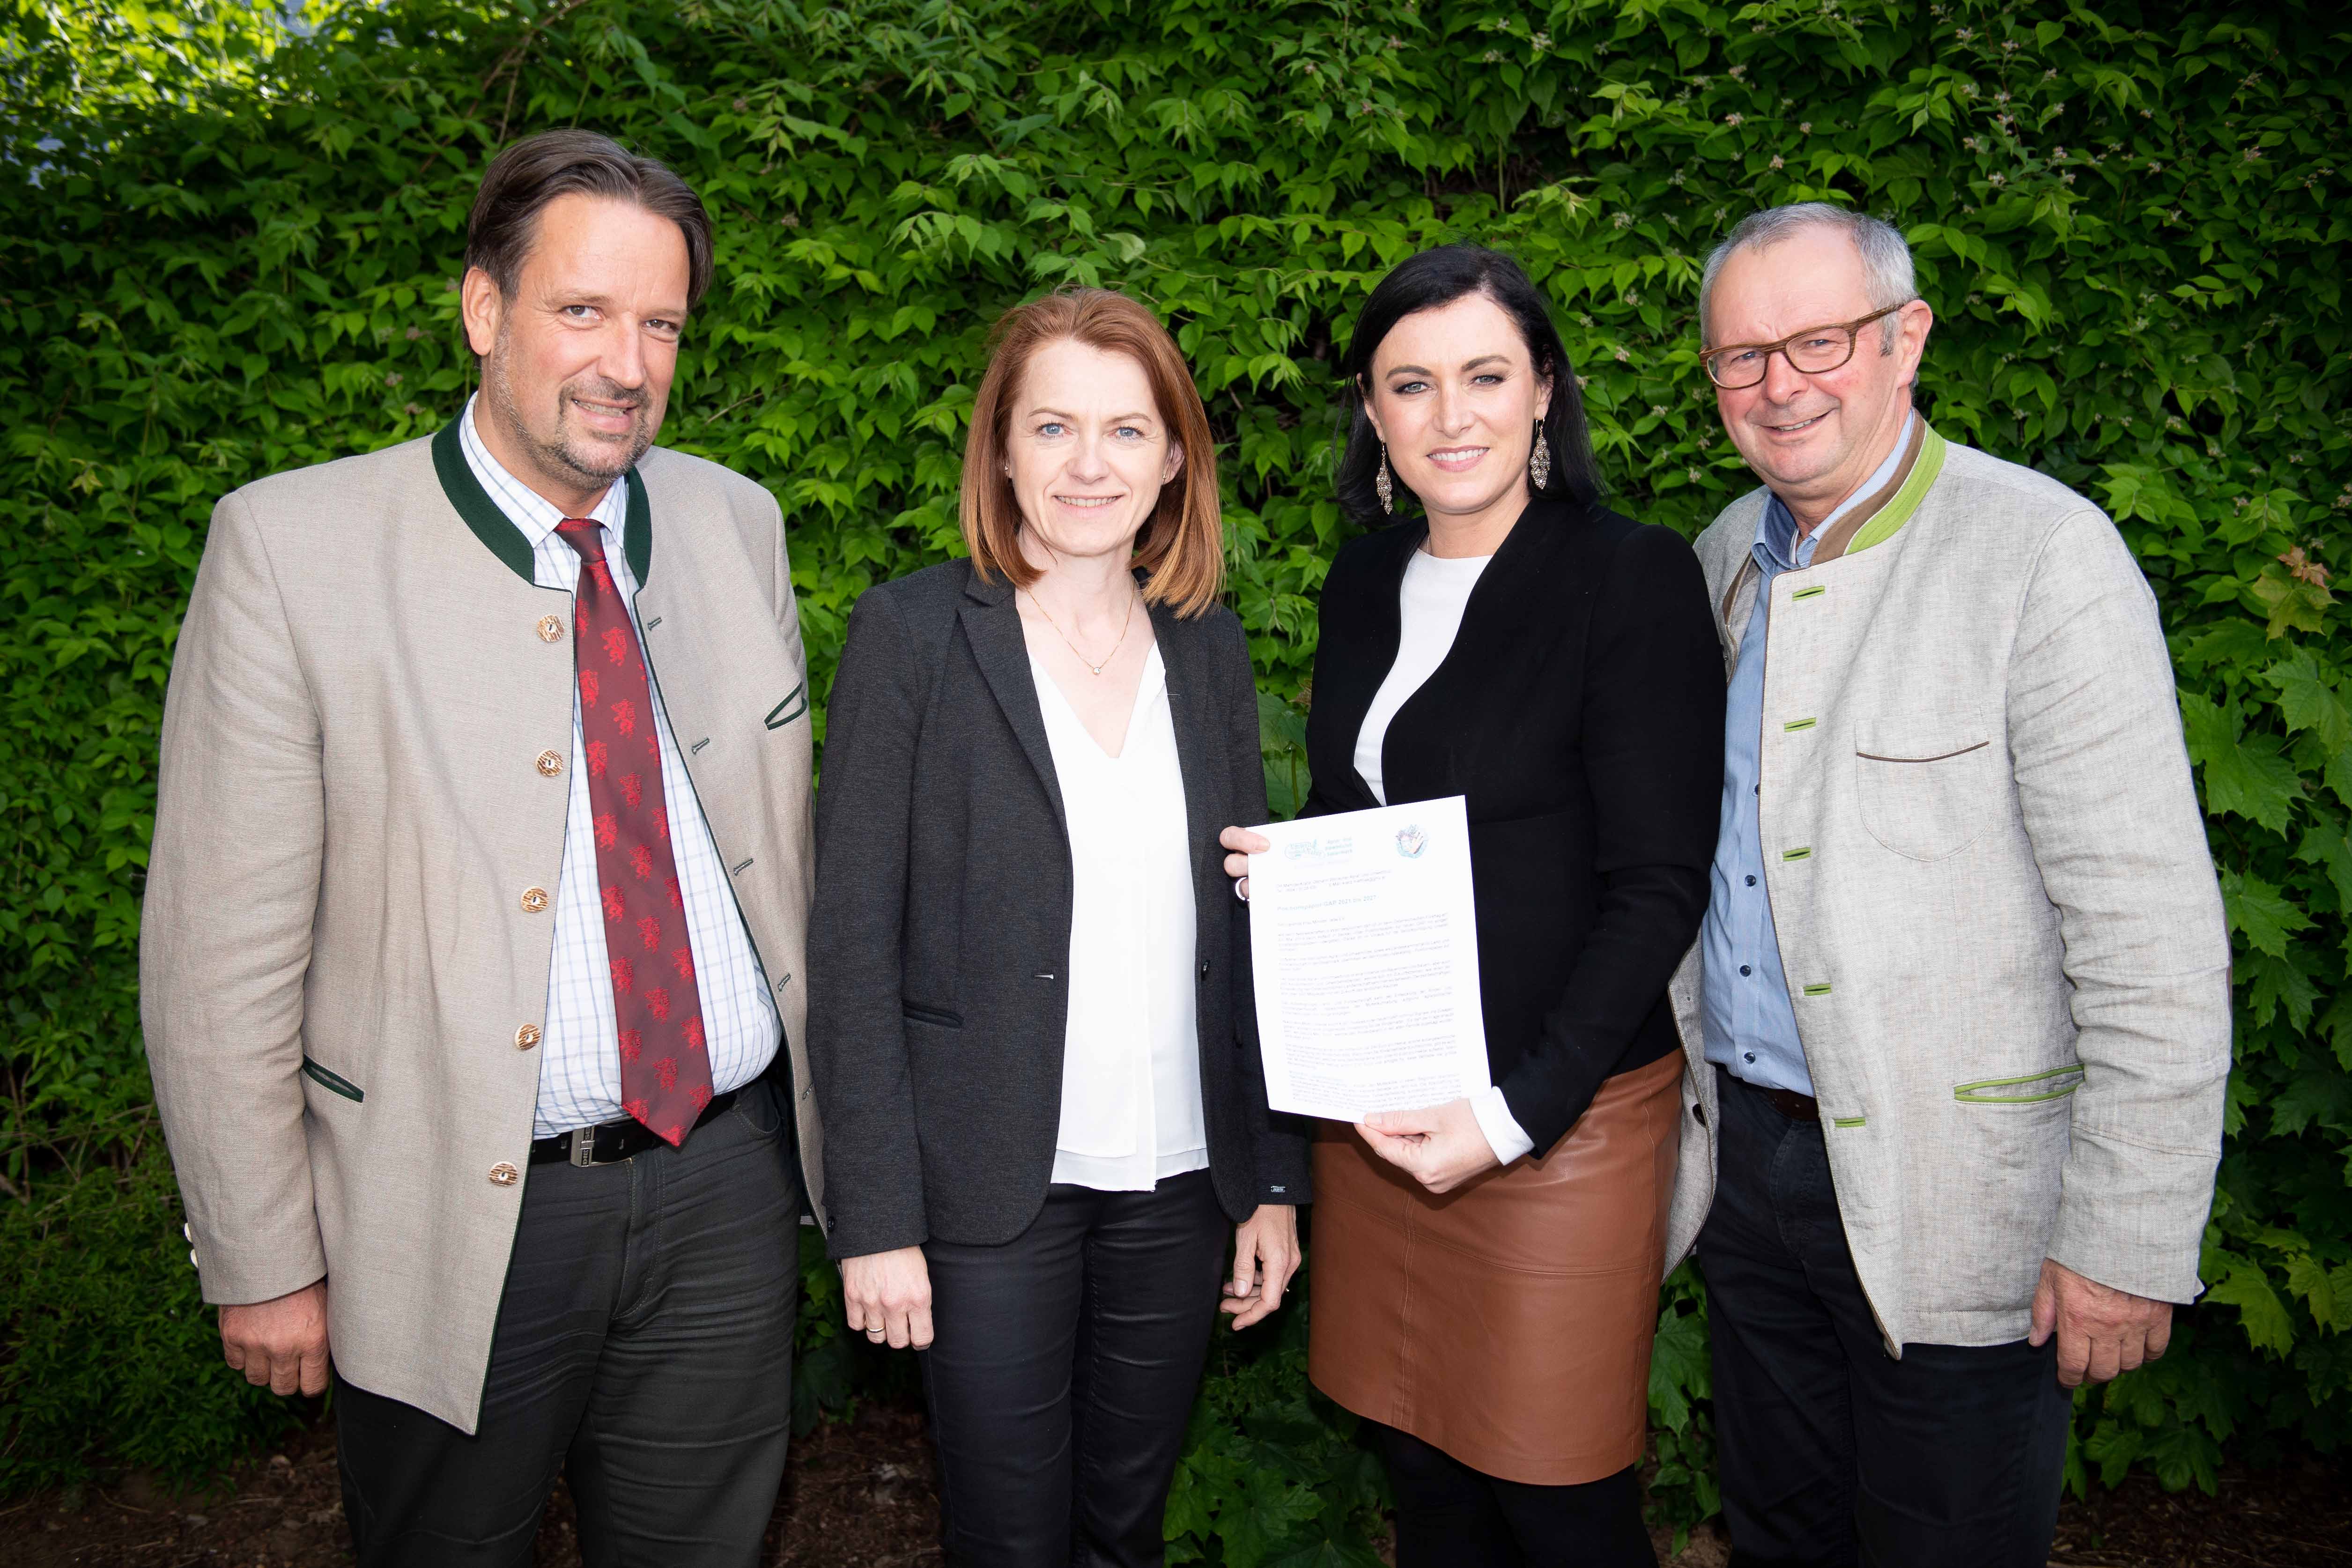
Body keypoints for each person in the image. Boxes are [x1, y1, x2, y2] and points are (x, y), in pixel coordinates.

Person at [141, 130, 823, 1567]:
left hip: (724, 1189)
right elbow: (217, 958)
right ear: (483, 309)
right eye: (583, 310)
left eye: (661, 324)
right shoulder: (292, 551)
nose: (627, 363)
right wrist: (263, 1253)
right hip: (448, 1210)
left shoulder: (735, 523)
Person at [1664, 201, 2233, 1567]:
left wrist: (2128, 1237)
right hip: (1744, 1175)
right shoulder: (1723, 557)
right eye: (1742, 357)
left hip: (1960, 1202)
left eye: (1819, 340)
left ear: (1906, 338)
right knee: (1782, 1535)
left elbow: (2151, 933)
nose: (1780, 384)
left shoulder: (2043, 556)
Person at [1221, 244, 1724, 1567]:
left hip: (1559, 1120)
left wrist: (1513, 1115)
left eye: (1486, 376)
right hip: (1387, 1112)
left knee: (1563, 1503)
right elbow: (1367, 814)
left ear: (1544, 390)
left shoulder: (1631, 576)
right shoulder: (1365, 578)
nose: (1451, 415)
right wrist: (1295, 873)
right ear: (1373, 413)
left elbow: (1658, 884)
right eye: (1412, 384)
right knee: (1426, 1476)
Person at [805, 287, 1306, 1567]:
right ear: (1002, 448)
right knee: (1008, 1539)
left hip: (1179, 1182)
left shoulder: (1206, 647)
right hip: (985, 1189)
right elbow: (850, 944)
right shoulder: (913, 633)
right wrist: (876, 1217)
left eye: (1127, 430)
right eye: (1054, 427)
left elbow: (1241, 938)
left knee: (1123, 1529)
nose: (1091, 464)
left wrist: (1268, 1181)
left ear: (1174, 457)